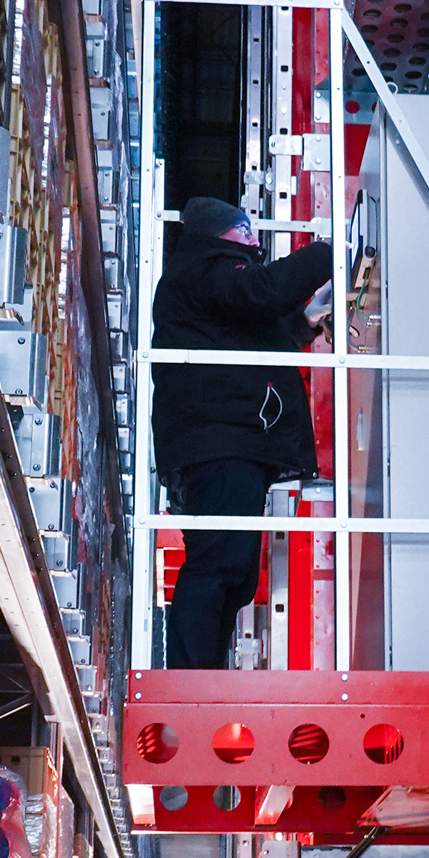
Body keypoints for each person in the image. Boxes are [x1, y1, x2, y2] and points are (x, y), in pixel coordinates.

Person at [151, 194, 333, 668]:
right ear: (218, 235)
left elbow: (251, 326)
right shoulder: (204, 268)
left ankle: (202, 673)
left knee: (234, 571)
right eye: (243, 230)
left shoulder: (202, 284)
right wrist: (331, 251)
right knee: (220, 565)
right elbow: (260, 293)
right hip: (220, 444)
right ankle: (191, 678)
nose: (253, 239)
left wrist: (307, 322)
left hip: (222, 445)